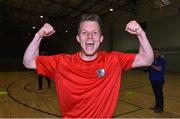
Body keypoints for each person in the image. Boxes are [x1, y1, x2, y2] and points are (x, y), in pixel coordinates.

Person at [23, 13, 153, 118]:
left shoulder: (113, 60)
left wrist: (141, 34)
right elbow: (28, 62)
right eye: (84, 33)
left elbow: (147, 60)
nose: (90, 37)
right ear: (78, 38)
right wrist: (38, 35)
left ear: (101, 39)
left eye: (95, 33)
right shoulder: (62, 63)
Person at [149, 49, 166, 113]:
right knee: (156, 94)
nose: (155, 54)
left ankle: (161, 108)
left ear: (159, 53)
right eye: (154, 53)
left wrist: (151, 65)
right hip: (153, 80)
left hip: (159, 80)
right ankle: (157, 106)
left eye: (156, 53)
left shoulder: (161, 60)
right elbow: (151, 69)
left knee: (159, 94)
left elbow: (159, 69)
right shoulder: (153, 61)